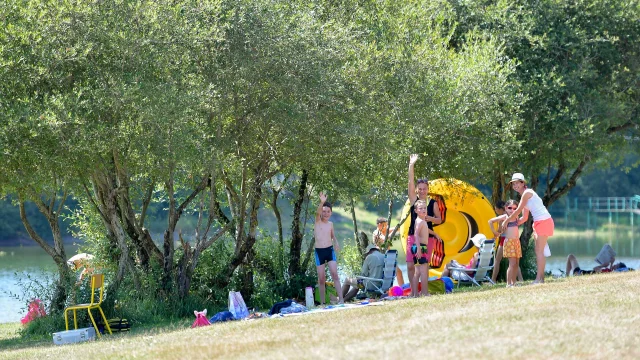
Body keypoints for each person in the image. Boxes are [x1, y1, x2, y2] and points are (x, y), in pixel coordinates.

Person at [501, 173, 555, 284]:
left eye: (517, 183)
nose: (515, 185)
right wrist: (513, 224)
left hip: (544, 221)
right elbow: (524, 217)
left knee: (539, 251)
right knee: (539, 251)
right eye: (513, 184)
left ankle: (539, 279)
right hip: (538, 222)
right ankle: (541, 279)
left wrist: (506, 221)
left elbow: (517, 211)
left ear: (523, 183)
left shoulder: (527, 193)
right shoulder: (524, 197)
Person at [406, 154, 442, 291]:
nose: (422, 191)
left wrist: (429, 218)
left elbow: (439, 220)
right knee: (410, 265)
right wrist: (411, 165)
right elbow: (410, 182)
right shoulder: (414, 201)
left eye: (424, 188)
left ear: (428, 189)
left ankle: (424, 291)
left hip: (428, 238)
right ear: (417, 189)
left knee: (424, 265)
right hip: (412, 236)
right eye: (420, 188)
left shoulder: (433, 203)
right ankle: (413, 291)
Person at [314, 192, 344, 305]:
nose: (326, 213)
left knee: (335, 274)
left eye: (328, 211)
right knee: (321, 279)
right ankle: (322, 303)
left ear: (331, 213)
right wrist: (322, 202)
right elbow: (317, 213)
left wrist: (336, 242)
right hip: (319, 252)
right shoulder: (318, 222)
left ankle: (341, 299)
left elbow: (332, 236)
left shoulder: (330, 224)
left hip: (329, 251)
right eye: (324, 211)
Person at [490, 200, 524, 286]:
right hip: (508, 241)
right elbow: (490, 221)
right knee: (511, 263)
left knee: (516, 263)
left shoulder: (515, 216)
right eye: (509, 208)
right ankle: (508, 283)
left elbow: (523, 217)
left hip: (516, 241)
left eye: (514, 208)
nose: (512, 210)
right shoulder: (504, 217)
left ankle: (515, 282)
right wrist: (495, 232)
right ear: (505, 208)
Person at [373, 217, 404, 286]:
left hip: (388, 257)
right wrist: (392, 233)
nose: (387, 227)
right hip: (381, 257)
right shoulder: (376, 232)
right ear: (379, 225)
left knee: (398, 272)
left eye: (387, 225)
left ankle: (403, 289)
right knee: (386, 276)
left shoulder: (385, 230)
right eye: (385, 225)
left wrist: (398, 227)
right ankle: (385, 291)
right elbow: (385, 239)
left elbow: (397, 228)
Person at [411, 200, 431, 297]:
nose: (423, 210)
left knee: (417, 272)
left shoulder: (421, 221)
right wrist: (419, 248)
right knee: (423, 271)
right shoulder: (420, 221)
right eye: (420, 208)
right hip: (420, 247)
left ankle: (415, 294)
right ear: (416, 211)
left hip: (418, 246)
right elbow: (416, 234)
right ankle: (424, 292)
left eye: (424, 208)